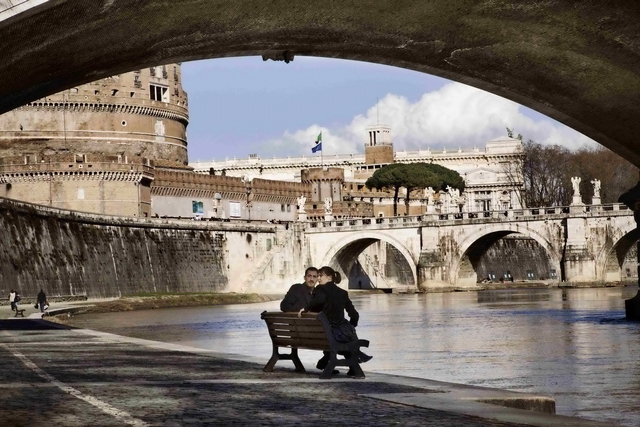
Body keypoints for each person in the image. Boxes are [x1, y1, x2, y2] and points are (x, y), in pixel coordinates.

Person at [299, 266, 372, 376]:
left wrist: (306, 308)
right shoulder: (342, 293)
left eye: (321, 276)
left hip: (323, 334)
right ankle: (355, 360)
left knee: (340, 336)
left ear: (329, 278)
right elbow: (354, 315)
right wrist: (352, 325)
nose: (318, 278)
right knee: (348, 336)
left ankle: (326, 361)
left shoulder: (320, 289)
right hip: (336, 333)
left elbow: (318, 301)